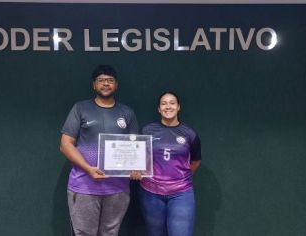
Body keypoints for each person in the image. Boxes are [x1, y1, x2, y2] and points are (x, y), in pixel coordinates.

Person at [60, 65, 138, 236]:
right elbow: (65, 144)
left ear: (116, 85)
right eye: (101, 80)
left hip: (118, 188)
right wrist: (88, 169)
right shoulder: (80, 108)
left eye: (110, 81)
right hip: (84, 186)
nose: (106, 84)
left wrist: (137, 168)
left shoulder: (127, 112)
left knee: (110, 233)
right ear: (94, 85)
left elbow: (136, 148)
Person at [139, 91, 201, 236]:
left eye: (172, 103)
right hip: (150, 193)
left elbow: (196, 161)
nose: (168, 106)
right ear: (159, 109)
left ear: (178, 107)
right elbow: (138, 157)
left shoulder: (189, 133)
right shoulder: (147, 130)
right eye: (164, 103)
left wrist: (178, 179)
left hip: (181, 194)